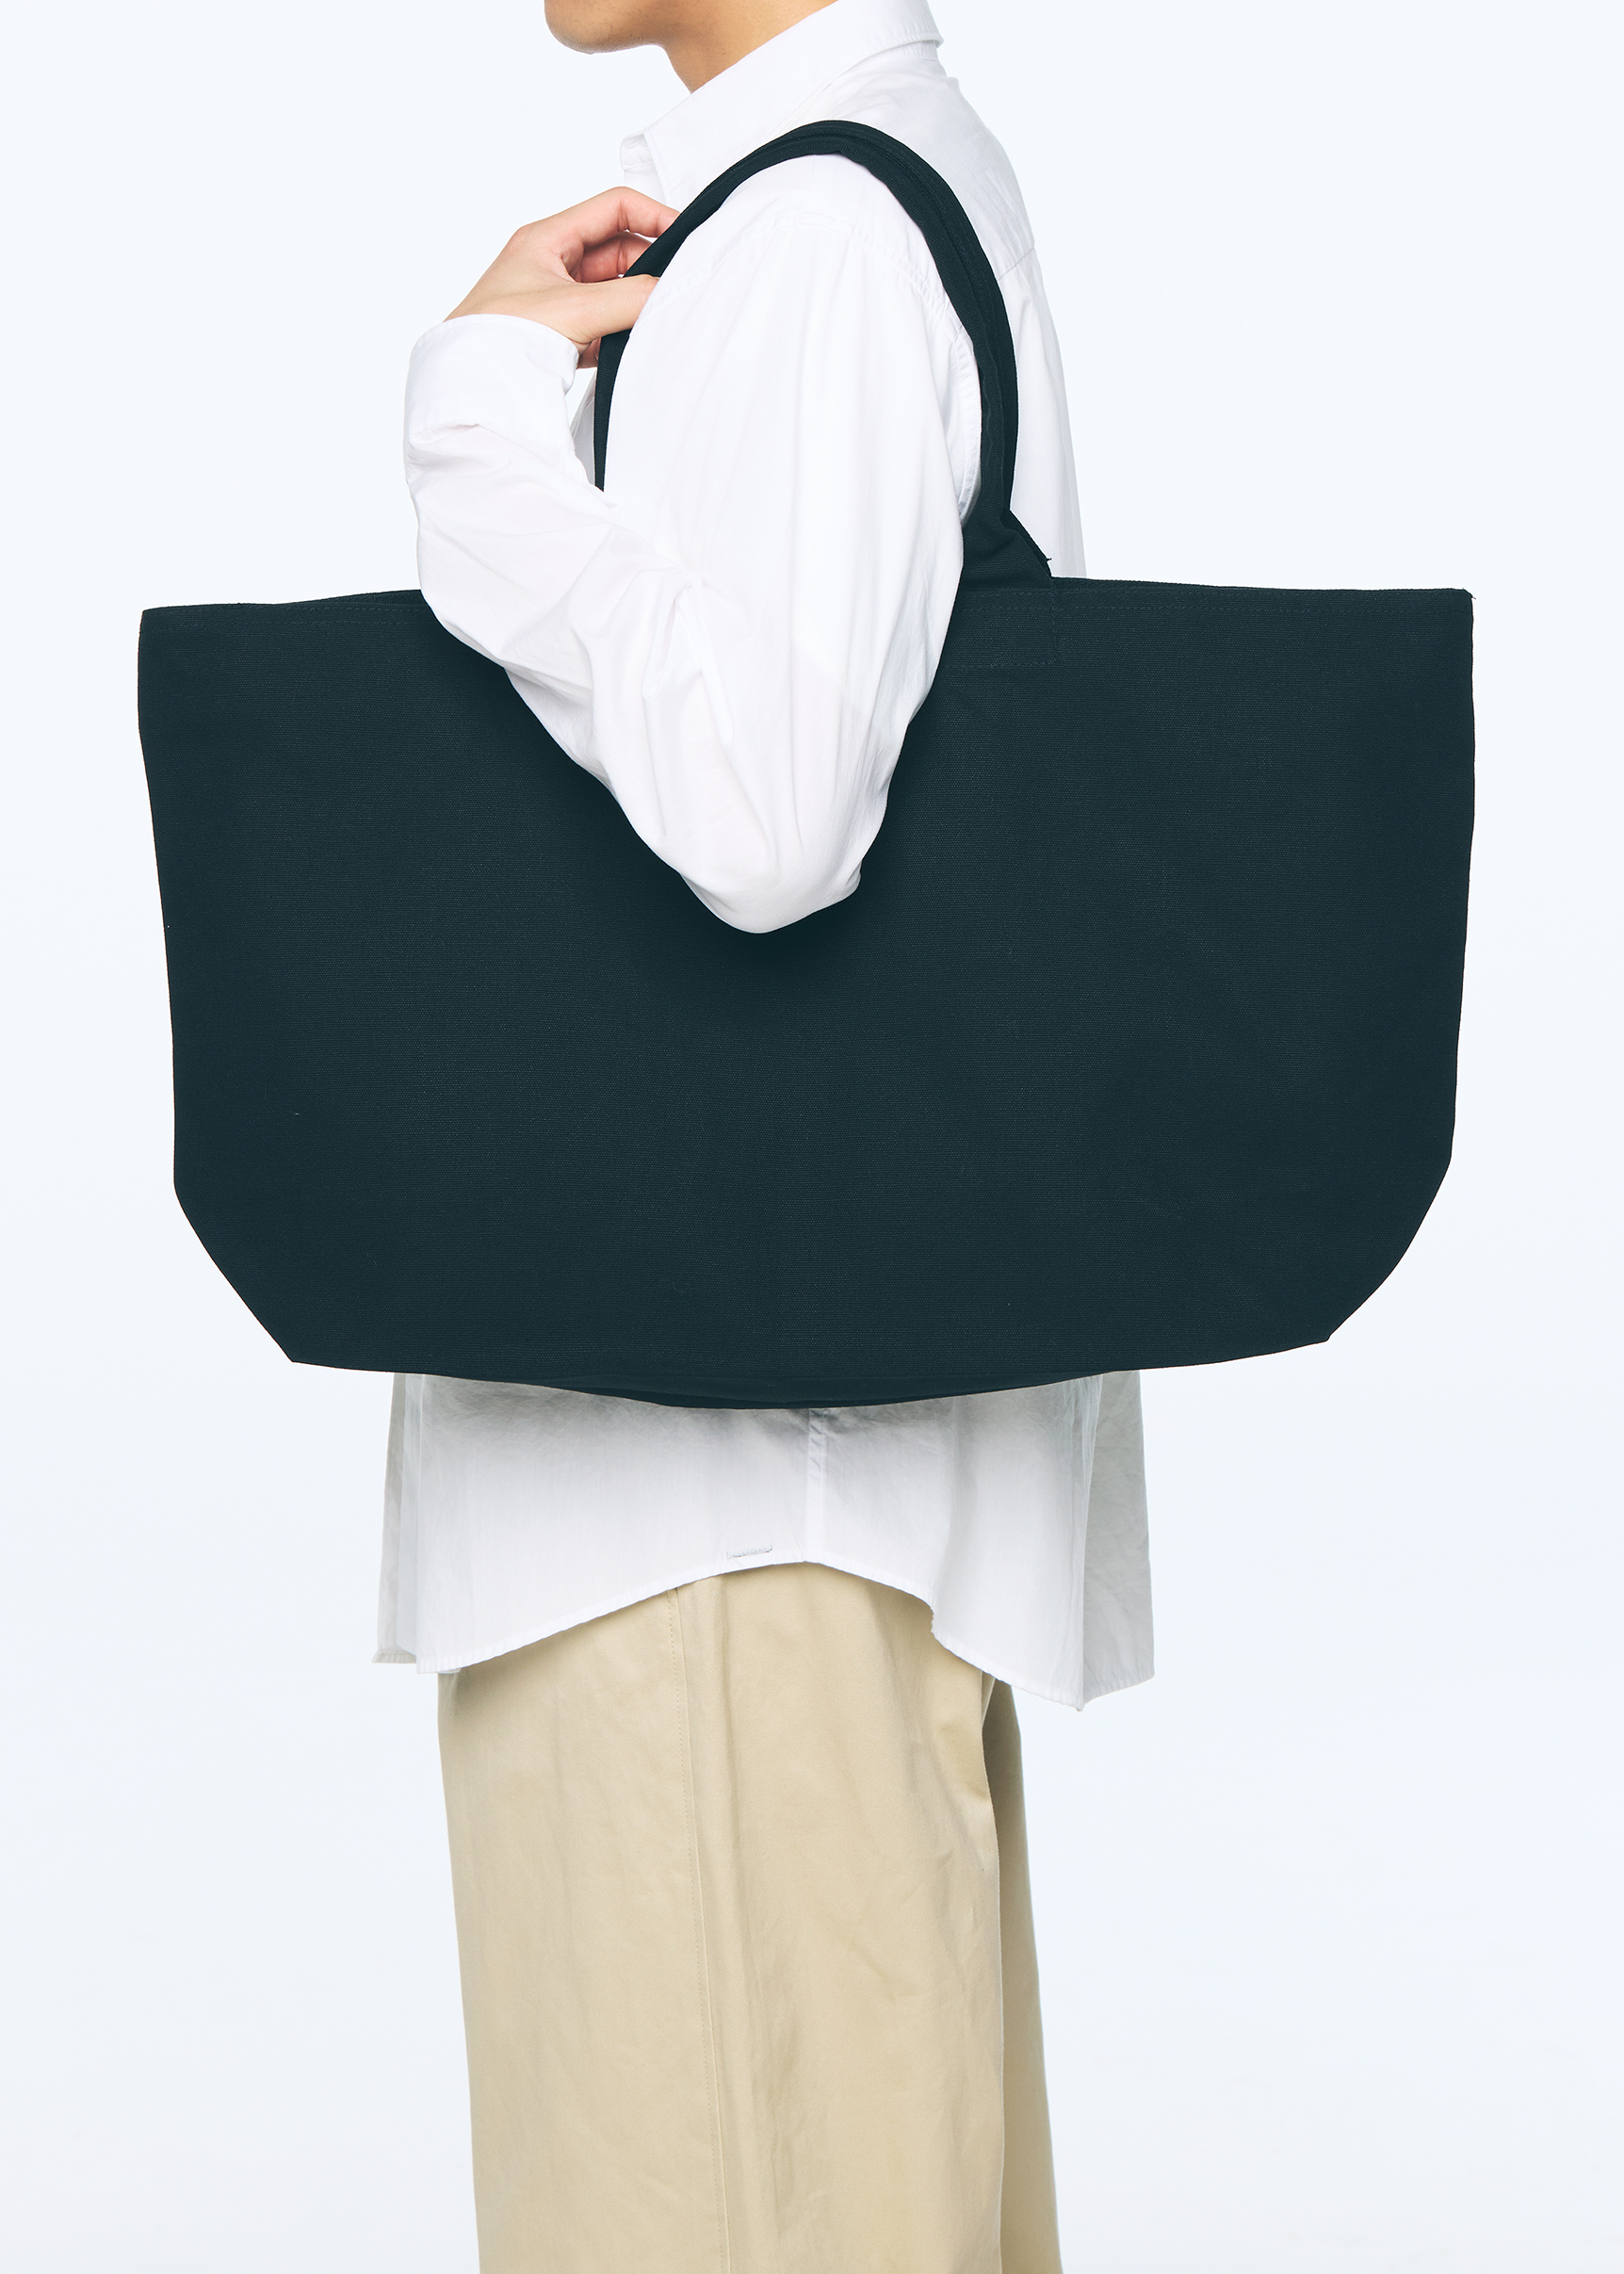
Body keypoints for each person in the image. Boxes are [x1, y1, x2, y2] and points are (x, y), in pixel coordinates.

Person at [390, 1, 1153, 2265]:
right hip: (761, 1484)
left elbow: (763, 811)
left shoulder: (812, 231)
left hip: (712, 1503)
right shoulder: (827, 191)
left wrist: (475, 424)